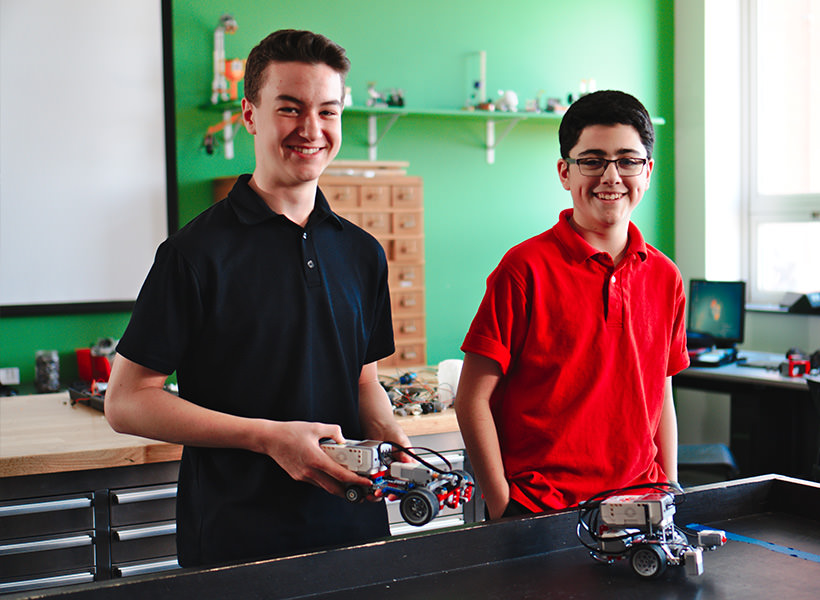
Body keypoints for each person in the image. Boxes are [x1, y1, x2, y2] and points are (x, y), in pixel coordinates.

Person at [105, 29, 411, 567]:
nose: (311, 130)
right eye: (290, 109)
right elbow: (127, 400)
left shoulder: (363, 253)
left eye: (328, 111)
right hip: (237, 542)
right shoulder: (194, 253)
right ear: (249, 114)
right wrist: (269, 438)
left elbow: (362, 380)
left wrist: (392, 437)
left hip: (355, 530)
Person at [456, 90, 689, 520]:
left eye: (627, 160)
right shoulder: (524, 268)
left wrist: (669, 487)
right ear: (565, 172)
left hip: (640, 504)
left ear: (648, 171)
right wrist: (501, 502)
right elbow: (472, 398)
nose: (611, 176)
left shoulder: (666, 277)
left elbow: (662, 393)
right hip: (541, 506)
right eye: (593, 160)